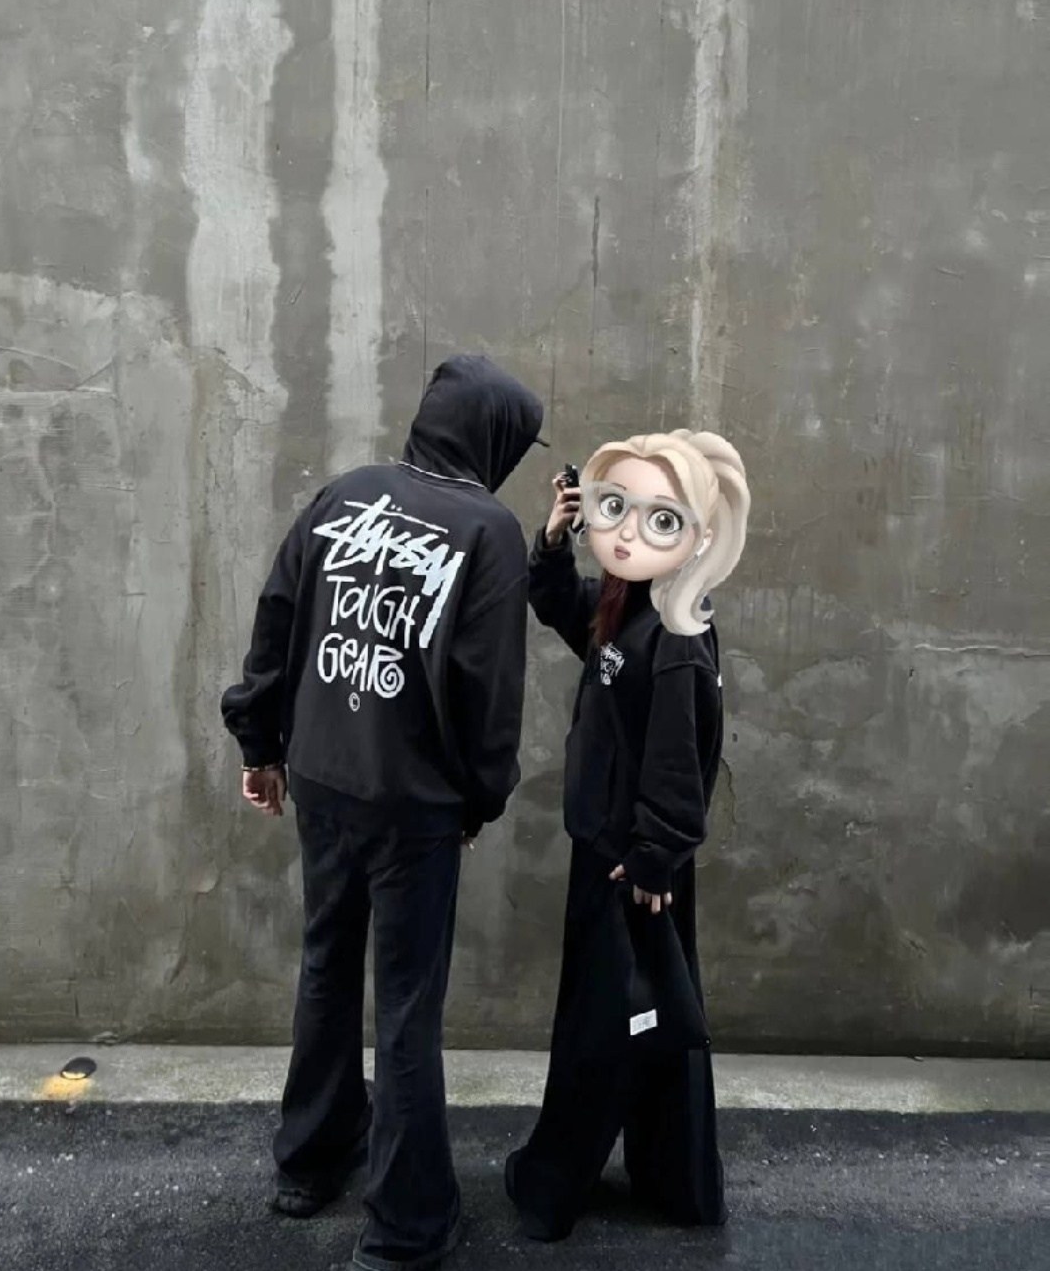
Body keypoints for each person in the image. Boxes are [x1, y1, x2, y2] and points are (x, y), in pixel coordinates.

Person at [221, 354, 544, 1271]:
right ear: (491, 437)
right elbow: (487, 691)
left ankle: (308, 1163)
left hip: (323, 779)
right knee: (406, 1005)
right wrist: (480, 797)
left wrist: (260, 744)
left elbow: (278, 613)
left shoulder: (347, 493)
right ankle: (405, 1226)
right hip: (415, 807)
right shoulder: (489, 531)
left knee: (327, 968)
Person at [505, 430, 750, 1241]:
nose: (627, 533)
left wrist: (653, 859)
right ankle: (675, 1184)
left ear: (699, 538)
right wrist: (554, 539)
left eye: (659, 520)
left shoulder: (676, 635)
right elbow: (561, 606)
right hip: (614, 852)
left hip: (632, 867)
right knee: (648, 1021)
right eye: (616, 509)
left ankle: (552, 1188)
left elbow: (682, 760)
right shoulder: (630, 606)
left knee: (603, 1032)